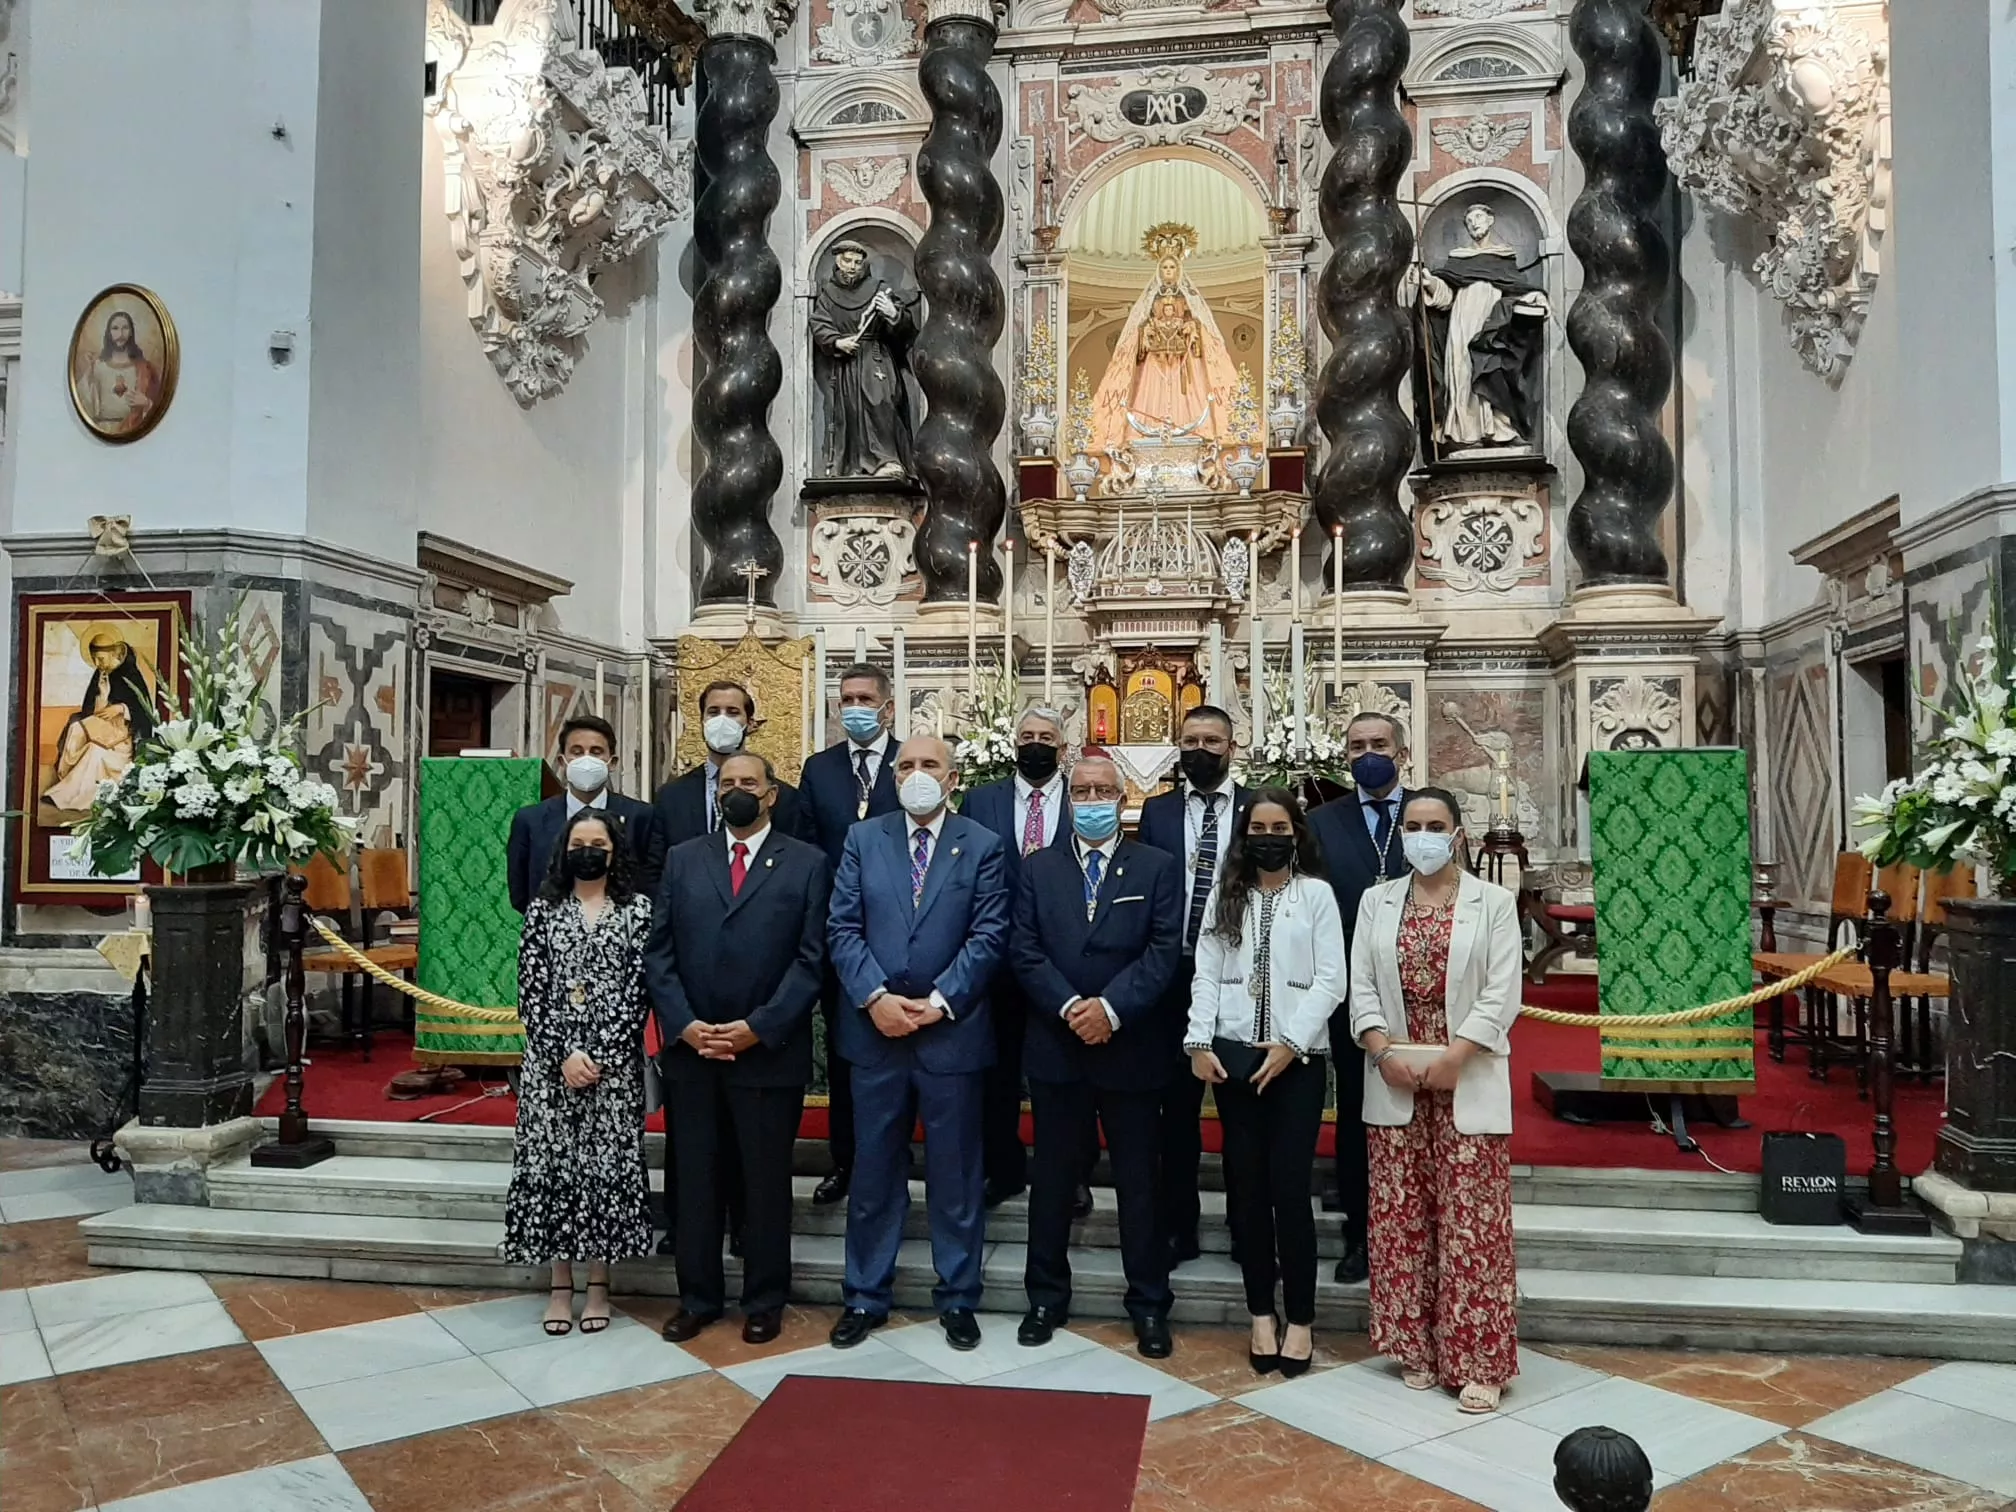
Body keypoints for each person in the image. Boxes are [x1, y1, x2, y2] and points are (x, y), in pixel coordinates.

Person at [826, 735, 1010, 1352]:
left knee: (956, 1174)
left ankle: (957, 1296)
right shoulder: (862, 839)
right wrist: (875, 998)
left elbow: (989, 934)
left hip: (951, 1035)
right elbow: (842, 926)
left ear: (951, 778)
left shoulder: (982, 845)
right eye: (906, 765)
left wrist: (937, 1003)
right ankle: (865, 1295)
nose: (916, 774)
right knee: (874, 1171)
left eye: (929, 765)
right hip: (875, 1035)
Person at [1349, 787, 1522, 1413]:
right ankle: (1414, 1346)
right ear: (1402, 834)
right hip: (1393, 1076)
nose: (1424, 835)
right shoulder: (1376, 901)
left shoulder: (1494, 902)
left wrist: (1455, 1057)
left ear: (1455, 833)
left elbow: (1503, 990)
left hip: (1467, 1075)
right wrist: (1381, 1052)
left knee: (1472, 1223)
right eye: (1413, 825)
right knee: (1401, 1219)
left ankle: (1479, 1358)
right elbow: (1360, 985)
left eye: (1436, 825)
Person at [646, 752, 828, 1345]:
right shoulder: (682, 859)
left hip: (767, 1053)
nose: (738, 791)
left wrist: (759, 1026)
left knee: (765, 1183)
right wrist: (685, 1024)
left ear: (771, 794)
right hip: (693, 1052)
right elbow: (660, 952)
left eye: (749, 782)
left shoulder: (807, 864)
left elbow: (811, 961)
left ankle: (764, 1298)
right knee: (695, 1181)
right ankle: (697, 1297)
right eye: (728, 783)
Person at [1011, 752, 1182, 1357]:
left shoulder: (1157, 866)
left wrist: (1109, 1010)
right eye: (1079, 790)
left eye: (1101, 790)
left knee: (1140, 1185)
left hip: (1131, 1048)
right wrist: (1069, 1009)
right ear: (1066, 795)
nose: (1090, 799)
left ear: (1122, 796)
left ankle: (1149, 1305)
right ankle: (1045, 1298)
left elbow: (1164, 951)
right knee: (1054, 1182)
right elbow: (1024, 949)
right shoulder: (1038, 868)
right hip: (1058, 1049)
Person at [1186, 787, 1346, 1379]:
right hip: (1231, 1056)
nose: (1268, 837)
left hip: (1298, 1061)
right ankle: (1260, 1313)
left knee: (1289, 1192)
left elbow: (1332, 979)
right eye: (1258, 827)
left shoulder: (1316, 896)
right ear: (1244, 834)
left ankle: (1300, 1318)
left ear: (1296, 834)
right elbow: (1205, 972)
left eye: (1280, 828)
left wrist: (1291, 1042)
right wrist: (1198, 1041)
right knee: (1245, 1191)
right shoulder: (1225, 896)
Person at [502, 809, 655, 1337]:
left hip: (612, 1070)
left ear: (614, 852)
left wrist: (603, 1054)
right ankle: (559, 1284)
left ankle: (599, 1285)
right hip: (551, 1068)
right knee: (556, 1168)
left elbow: (640, 992)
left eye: (598, 843)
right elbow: (531, 992)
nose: (588, 851)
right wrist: (563, 1053)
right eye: (579, 842)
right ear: (564, 851)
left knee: (604, 1171)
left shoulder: (638, 911)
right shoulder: (544, 910)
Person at [958, 705, 1089, 1214]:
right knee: (998, 1072)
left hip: (1062, 963)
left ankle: (1071, 1173)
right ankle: (1003, 1168)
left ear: (1062, 746)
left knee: (1066, 1075)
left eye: (1045, 736)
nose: (1035, 743)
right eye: (1027, 735)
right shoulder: (980, 799)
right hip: (995, 961)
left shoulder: (1083, 800)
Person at [1137, 705, 1250, 1266]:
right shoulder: (1155, 812)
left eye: (1211, 740)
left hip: (1238, 975)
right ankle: (1179, 1222)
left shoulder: (1259, 808)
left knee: (1241, 1106)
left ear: (1232, 747)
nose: (1199, 749)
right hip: (1173, 971)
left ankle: (1245, 1222)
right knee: (1175, 1109)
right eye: (1189, 740)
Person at [1306, 709, 1413, 1284]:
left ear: (1401, 752)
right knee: (1356, 1112)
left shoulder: (1428, 812)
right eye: (1355, 745)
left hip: (1422, 985)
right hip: (1353, 987)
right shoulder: (1323, 821)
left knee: (1420, 1108)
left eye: (1378, 744)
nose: (1367, 753)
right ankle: (1360, 1233)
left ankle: (1418, 1226)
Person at [797, 663, 903, 1207]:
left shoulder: (912, 763)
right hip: (839, 937)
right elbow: (808, 848)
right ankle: (846, 1160)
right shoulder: (820, 769)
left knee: (901, 1052)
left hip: (899, 935)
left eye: (865, 698)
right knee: (844, 1054)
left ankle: (896, 1159)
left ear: (887, 706)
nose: (854, 707)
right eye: (846, 699)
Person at [506, 715, 658, 914]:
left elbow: (652, 884)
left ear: (612, 763)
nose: (586, 760)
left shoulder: (641, 817)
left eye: (596, 752)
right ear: (562, 761)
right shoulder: (530, 820)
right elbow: (520, 893)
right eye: (577, 752)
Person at [648, 680, 802, 874]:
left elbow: (796, 864)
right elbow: (654, 869)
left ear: (750, 723)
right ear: (702, 721)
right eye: (713, 712)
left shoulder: (784, 797)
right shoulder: (671, 796)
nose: (722, 720)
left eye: (732, 712)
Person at [810, 239, 921, 479]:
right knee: (850, 411)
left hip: (876, 357)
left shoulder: (879, 288)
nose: (852, 267)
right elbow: (819, 323)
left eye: (858, 263)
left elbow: (906, 328)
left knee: (881, 402)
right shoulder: (828, 295)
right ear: (837, 262)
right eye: (847, 261)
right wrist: (837, 342)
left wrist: (892, 313)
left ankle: (887, 459)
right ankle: (853, 465)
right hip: (847, 363)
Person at [44, 629, 157, 814]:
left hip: (124, 742)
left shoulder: (131, 676)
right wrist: (103, 697)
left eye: (101, 659)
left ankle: (78, 796)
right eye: (95, 659)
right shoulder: (100, 674)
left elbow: (145, 713)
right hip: (103, 731)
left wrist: (121, 708)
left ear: (114, 654)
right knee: (76, 730)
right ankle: (65, 788)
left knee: (94, 751)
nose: (97, 664)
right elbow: (91, 709)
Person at [76, 311, 160, 437]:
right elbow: (82, 401)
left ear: (131, 332)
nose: (120, 334)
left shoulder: (145, 369)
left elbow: (160, 407)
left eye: (125, 328)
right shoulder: (97, 366)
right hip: (104, 432)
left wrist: (147, 403)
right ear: (108, 333)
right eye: (115, 328)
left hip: (135, 432)